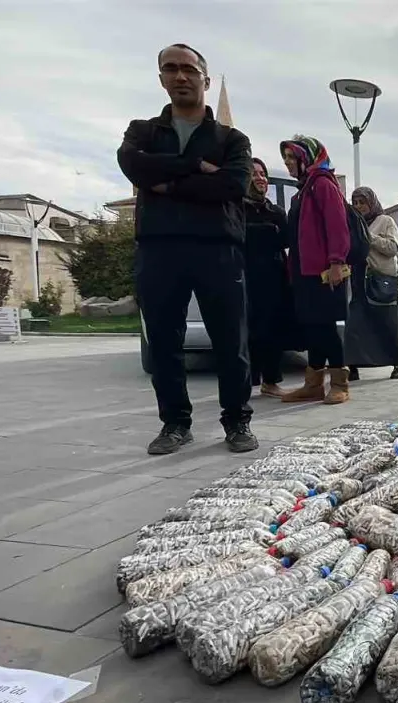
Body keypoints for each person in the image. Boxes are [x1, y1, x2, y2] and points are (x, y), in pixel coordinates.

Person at [117, 43, 257, 455]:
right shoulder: (143, 132)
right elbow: (133, 165)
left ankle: (237, 421)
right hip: (159, 248)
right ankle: (175, 423)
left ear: (205, 80)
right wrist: (195, 166)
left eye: (189, 70)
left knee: (231, 341)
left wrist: (165, 182)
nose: (180, 76)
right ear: (161, 78)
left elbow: (232, 184)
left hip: (217, 248)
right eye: (171, 68)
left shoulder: (231, 139)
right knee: (163, 342)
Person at [277, 135, 354, 406]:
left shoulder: (322, 184)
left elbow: (337, 226)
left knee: (324, 327)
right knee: (311, 327)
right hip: (304, 271)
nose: (287, 163)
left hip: (323, 271)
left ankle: (340, 384)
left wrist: (336, 262)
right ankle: (313, 385)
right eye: (285, 158)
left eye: (292, 157)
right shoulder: (304, 189)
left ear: (306, 158)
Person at [345, 186, 398, 380]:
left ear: (371, 203)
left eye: (362, 202)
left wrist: (368, 236)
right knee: (355, 325)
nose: (359, 206)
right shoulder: (353, 224)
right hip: (358, 279)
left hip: (381, 280)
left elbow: (393, 247)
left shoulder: (385, 221)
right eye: (355, 203)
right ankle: (353, 366)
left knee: (388, 323)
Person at [242, 158, 291, 398]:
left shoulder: (276, 211)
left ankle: (270, 381)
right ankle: (245, 383)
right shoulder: (236, 208)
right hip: (244, 276)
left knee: (273, 329)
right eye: (254, 174)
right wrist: (268, 232)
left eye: (262, 174)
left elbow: (286, 240)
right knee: (246, 330)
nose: (260, 178)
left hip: (273, 277)